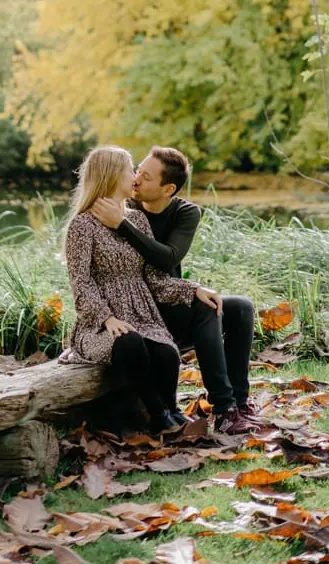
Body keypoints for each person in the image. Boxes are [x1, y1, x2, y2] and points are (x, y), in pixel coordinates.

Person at [91, 145, 257, 435]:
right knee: (206, 308)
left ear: (168, 189)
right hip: (140, 310)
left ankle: (238, 405)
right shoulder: (122, 210)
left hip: (171, 298)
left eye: (146, 176)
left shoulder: (184, 212)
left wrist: (123, 226)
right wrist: (119, 221)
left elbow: (168, 257)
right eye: (137, 171)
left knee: (240, 307)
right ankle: (224, 406)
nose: (136, 180)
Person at [62, 144, 206, 434]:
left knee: (166, 352)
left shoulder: (136, 219)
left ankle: (172, 410)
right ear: (113, 175)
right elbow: (81, 284)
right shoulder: (82, 225)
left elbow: (154, 278)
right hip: (98, 325)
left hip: (141, 316)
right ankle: (158, 416)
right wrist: (106, 318)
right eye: (131, 170)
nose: (136, 177)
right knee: (129, 342)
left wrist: (192, 289)